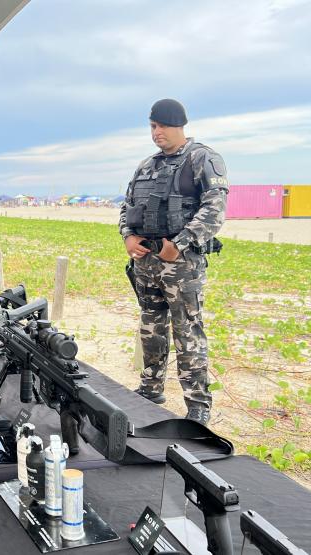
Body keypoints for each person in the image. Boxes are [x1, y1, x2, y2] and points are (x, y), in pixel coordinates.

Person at [118, 98, 228, 426]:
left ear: (179, 124)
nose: (156, 133)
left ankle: (197, 404)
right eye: (152, 127)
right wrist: (128, 237)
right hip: (147, 262)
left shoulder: (203, 159)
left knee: (187, 331)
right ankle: (150, 389)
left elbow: (215, 209)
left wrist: (178, 245)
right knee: (151, 328)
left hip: (182, 265)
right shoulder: (145, 166)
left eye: (162, 126)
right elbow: (127, 206)